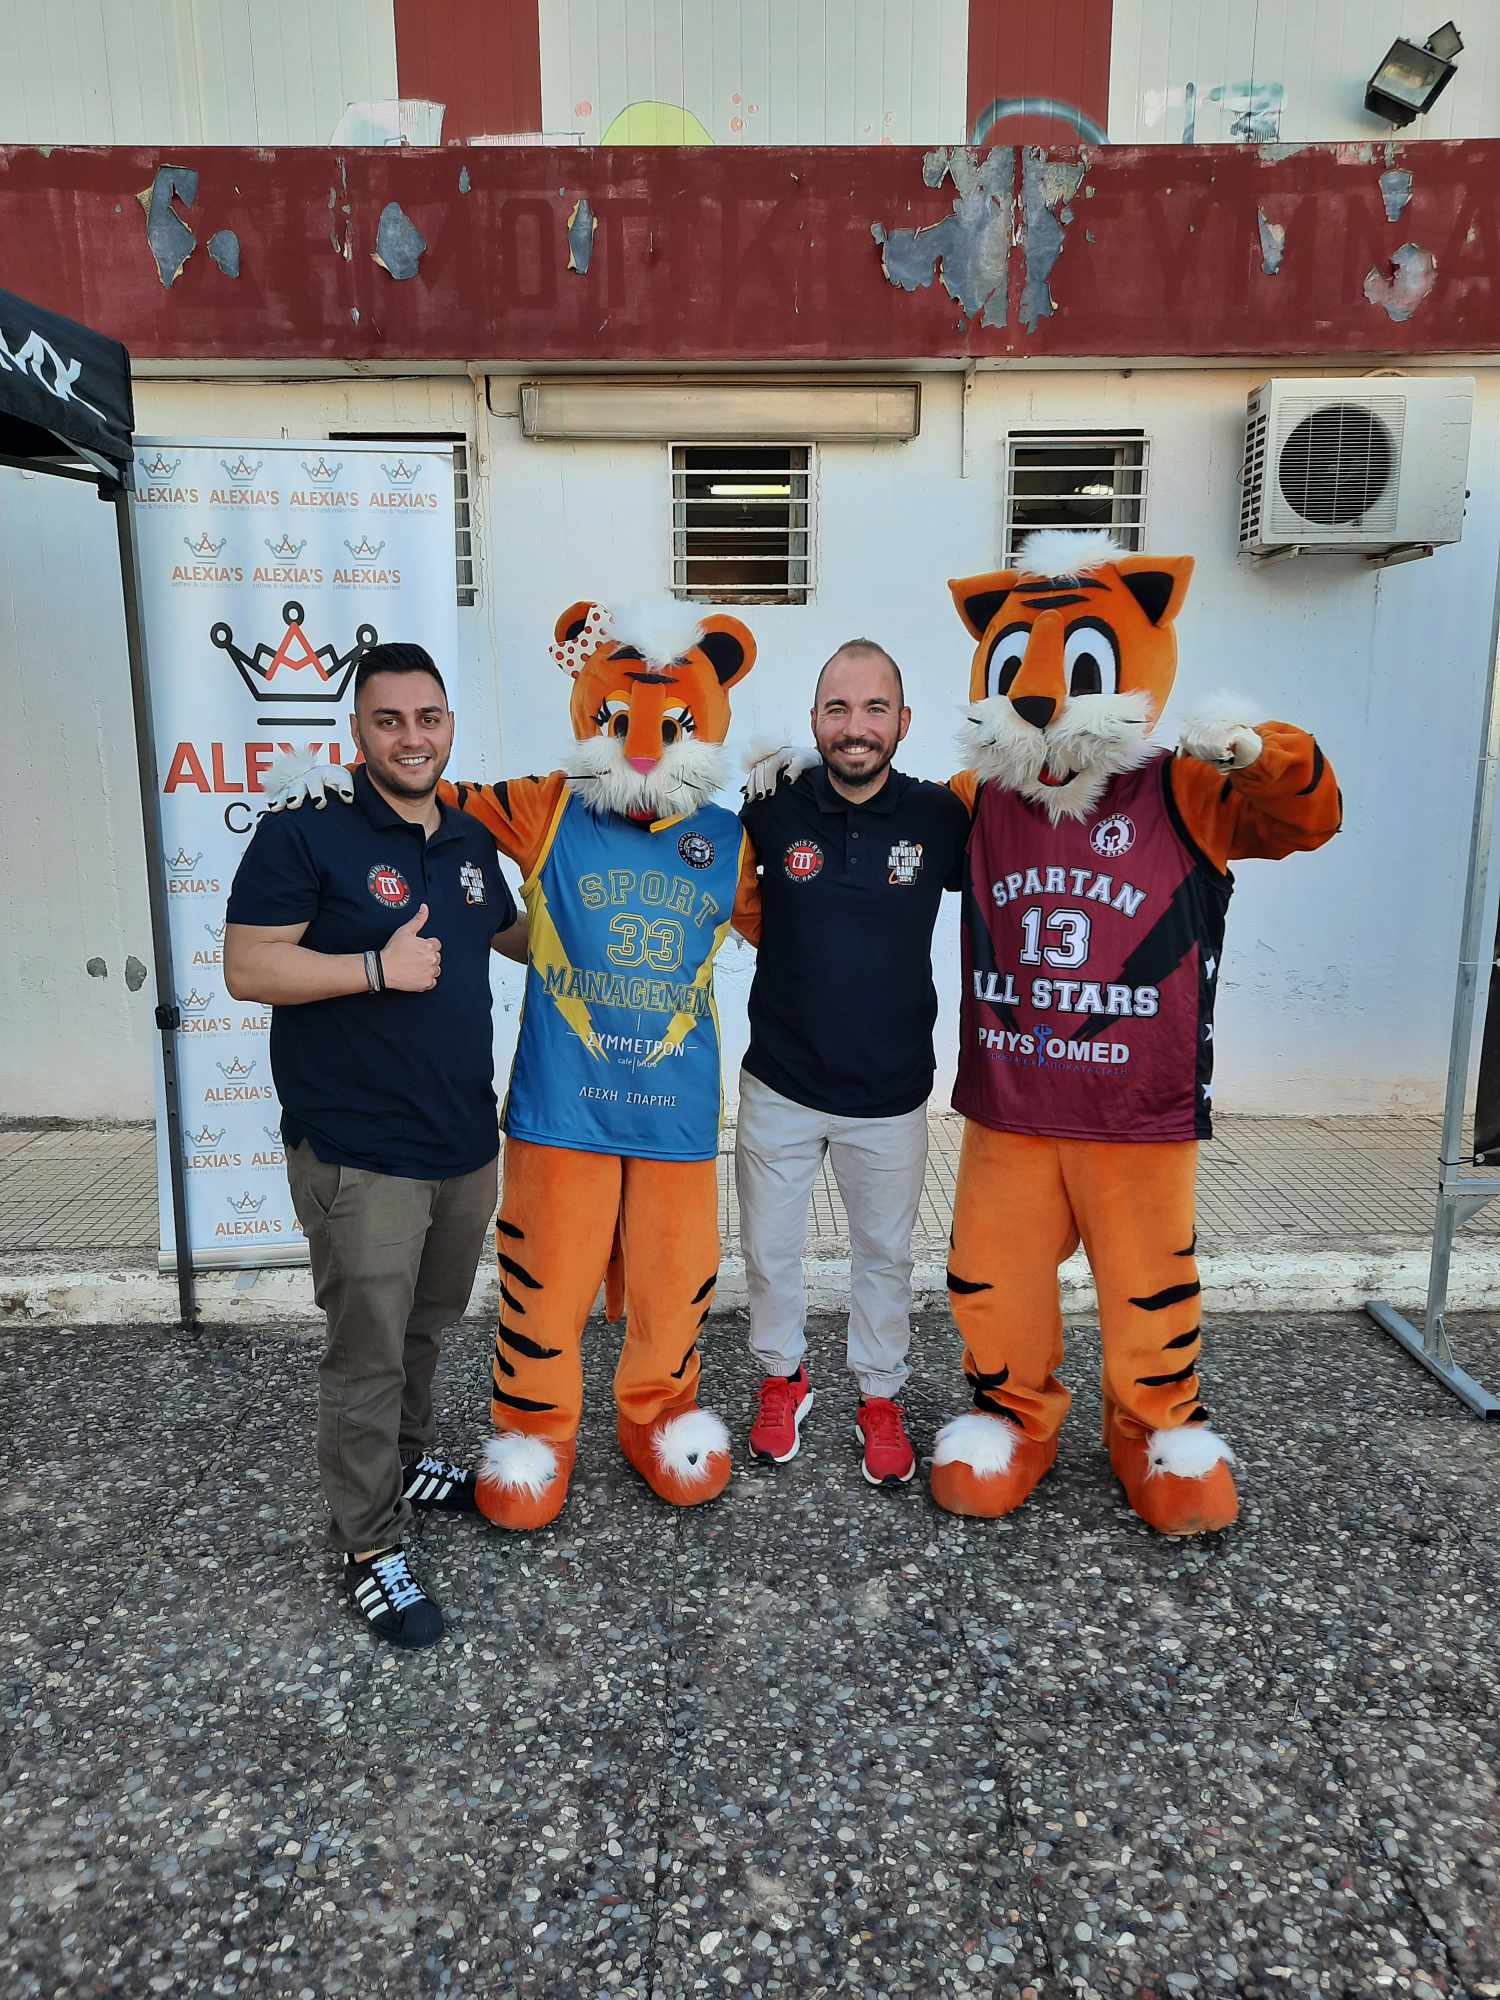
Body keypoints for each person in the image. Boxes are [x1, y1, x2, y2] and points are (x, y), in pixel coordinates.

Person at [225, 643, 526, 1648]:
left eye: (427, 718)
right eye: (388, 719)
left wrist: (607, 876)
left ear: (450, 726)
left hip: (462, 1142)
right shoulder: (304, 829)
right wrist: (373, 966)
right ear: (356, 730)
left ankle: (401, 1465)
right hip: (360, 1153)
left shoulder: (471, 837)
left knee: (425, 1330)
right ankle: (367, 1544)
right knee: (366, 1355)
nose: (411, 737)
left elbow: (513, 934)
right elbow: (248, 966)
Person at [737, 640, 970, 1486]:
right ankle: (783, 1378)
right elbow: (723, 890)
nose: (856, 726)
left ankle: (879, 1394)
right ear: (813, 720)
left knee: (884, 1255)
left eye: (875, 709)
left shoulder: (940, 816)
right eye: (837, 708)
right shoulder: (770, 808)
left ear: (903, 721)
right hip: (781, 1082)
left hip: (891, 1090)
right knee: (770, 1250)